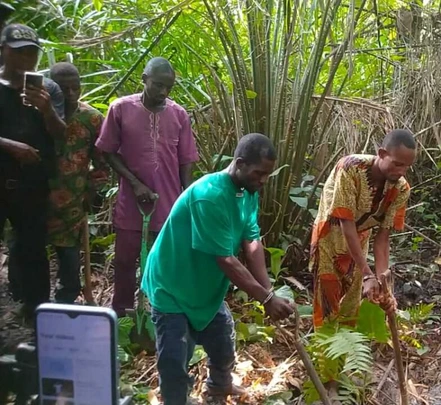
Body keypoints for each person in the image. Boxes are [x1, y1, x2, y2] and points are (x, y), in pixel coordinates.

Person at [141, 133, 295, 405]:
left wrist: (268, 292)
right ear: (239, 163)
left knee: (223, 343)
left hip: (204, 287)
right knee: (175, 359)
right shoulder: (210, 196)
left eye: (267, 175)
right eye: (259, 173)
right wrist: (266, 299)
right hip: (172, 286)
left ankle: (218, 388)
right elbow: (225, 260)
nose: (263, 181)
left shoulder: (246, 192)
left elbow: (251, 242)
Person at [95, 57, 199, 316]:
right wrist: (135, 184)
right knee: (125, 260)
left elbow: (186, 160)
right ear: (143, 79)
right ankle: (122, 316)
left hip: (168, 202)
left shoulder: (179, 114)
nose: (163, 92)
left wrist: (186, 201)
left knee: (163, 262)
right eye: (157, 85)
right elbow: (107, 151)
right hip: (131, 202)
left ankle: (161, 316)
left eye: (168, 87)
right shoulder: (120, 109)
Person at [310, 129, 417, 329]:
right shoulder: (350, 168)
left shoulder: (401, 188)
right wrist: (368, 274)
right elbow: (346, 224)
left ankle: (348, 358)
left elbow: (383, 238)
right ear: (382, 154)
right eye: (397, 164)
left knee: (352, 305)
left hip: (359, 242)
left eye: (407, 167)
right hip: (328, 238)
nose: (402, 172)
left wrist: (384, 284)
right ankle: (324, 358)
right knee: (327, 303)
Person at [0, 23, 66, 319]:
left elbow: (61, 134)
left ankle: (36, 316)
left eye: (32, 54)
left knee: (34, 250)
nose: (27, 60)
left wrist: (47, 109)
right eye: (20, 53)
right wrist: (11, 146)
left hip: (33, 186)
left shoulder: (48, 89)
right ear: (4, 51)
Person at [44, 62, 109, 303]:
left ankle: (67, 300)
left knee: (69, 256)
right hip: (34, 197)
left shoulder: (91, 118)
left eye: (75, 88)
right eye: (63, 88)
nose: (70, 94)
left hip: (72, 201)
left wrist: (90, 193)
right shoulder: (37, 113)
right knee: (29, 251)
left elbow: (102, 164)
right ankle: (30, 303)